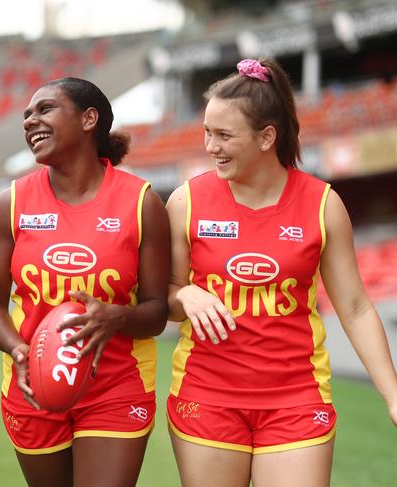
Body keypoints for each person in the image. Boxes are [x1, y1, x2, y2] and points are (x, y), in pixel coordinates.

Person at [165, 57, 397, 487]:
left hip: (296, 399)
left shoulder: (323, 204)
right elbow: (163, 298)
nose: (210, 146)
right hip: (207, 396)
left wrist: (393, 394)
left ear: (267, 136)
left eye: (223, 135)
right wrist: (183, 295)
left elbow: (356, 308)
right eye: (206, 133)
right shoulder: (185, 202)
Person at [0, 77, 170, 486]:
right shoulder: (10, 203)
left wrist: (116, 317)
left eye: (44, 109)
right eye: (26, 115)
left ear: (89, 119)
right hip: (33, 386)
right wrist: (18, 350)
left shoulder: (141, 202)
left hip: (117, 386)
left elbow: (156, 310)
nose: (30, 121)